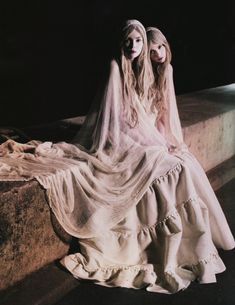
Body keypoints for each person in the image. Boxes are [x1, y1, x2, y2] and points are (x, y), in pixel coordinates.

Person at [0, 20, 234, 294]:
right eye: (129, 41)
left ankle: (187, 247)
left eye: (138, 41)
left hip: (139, 138)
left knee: (180, 164)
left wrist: (165, 141)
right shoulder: (115, 68)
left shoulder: (144, 69)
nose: (134, 46)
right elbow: (115, 121)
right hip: (121, 141)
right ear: (122, 42)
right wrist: (145, 143)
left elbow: (153, 112)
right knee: (167, 167)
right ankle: (156, 249)